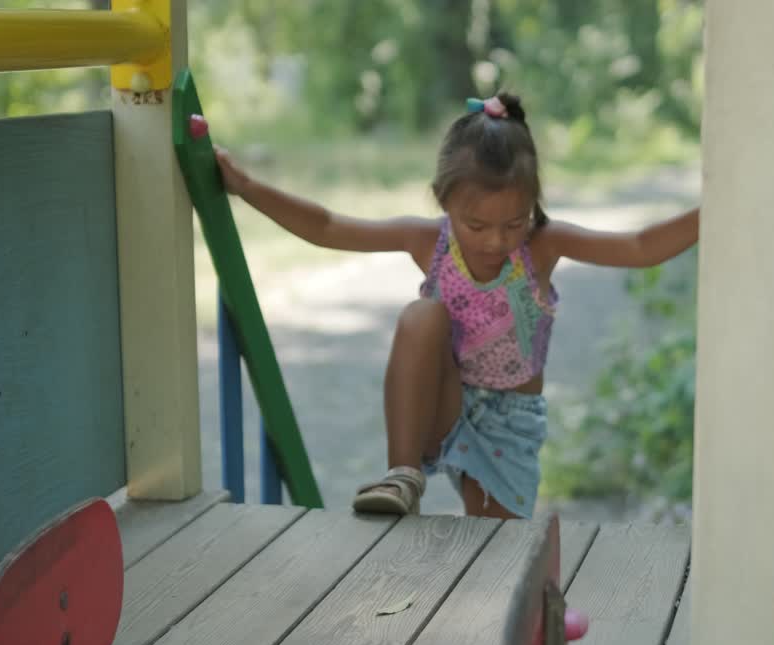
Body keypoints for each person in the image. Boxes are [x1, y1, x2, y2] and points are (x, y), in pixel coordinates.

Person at [214, 93, 699, 521]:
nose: (496, 240)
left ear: (532, 205)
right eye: (476, 225)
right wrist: (247, 188)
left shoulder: (543, 246)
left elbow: (638, 247)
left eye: (514, 223)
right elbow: (327, 227)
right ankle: (402, 477)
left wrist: (715, 208)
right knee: (421, 315)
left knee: (496, 554)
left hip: (509, 422)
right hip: (443, 403)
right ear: (443, 202)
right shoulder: (428, 242)